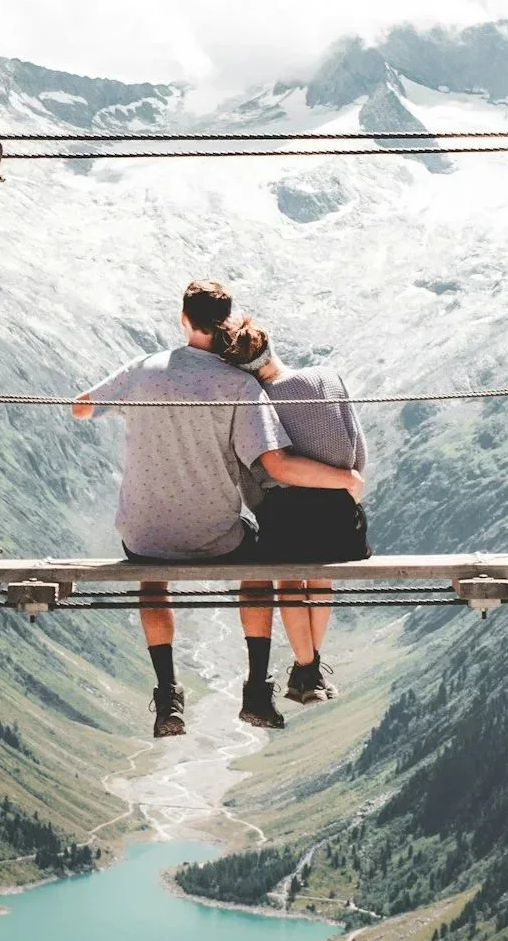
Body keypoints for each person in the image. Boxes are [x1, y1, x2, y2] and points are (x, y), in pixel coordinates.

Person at [72, 281, 365, 739]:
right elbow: (276, 463)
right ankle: (255, 691)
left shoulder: (145, 370)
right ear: (226, 320)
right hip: (215, 536)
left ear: (183, 318)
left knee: (151, 574)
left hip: (143, 532)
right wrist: (345, 480)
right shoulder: (238, 385)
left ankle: (168, 693)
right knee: (260, 563)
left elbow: (81, 408)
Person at [220, 318, 369, 704]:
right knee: (320, 578)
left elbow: (254, 475)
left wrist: (264, 507)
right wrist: (345, 486)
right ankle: (309, 670)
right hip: (340, 520)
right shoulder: (327, 378)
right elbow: (358, 453)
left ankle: (307, 670)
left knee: (289, 579)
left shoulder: (255, 402)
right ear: (269, 343)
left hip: (285, 518)